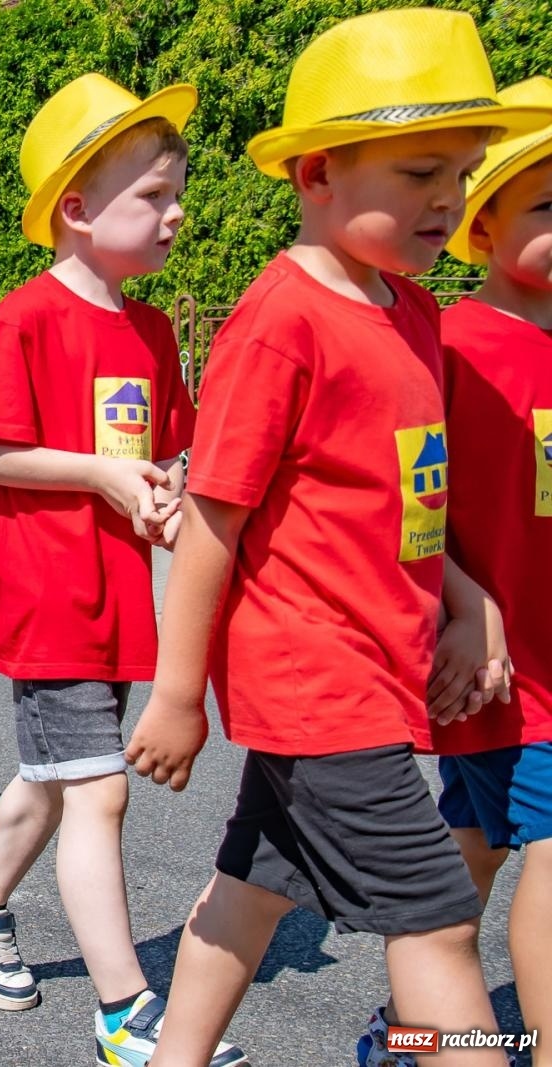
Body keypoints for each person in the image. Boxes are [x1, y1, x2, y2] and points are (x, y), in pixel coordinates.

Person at [123, 10, 549, 1064]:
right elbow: (215, 517)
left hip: (366, 670)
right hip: (316, 680)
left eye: (459, 172)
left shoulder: (407, 308)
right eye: (417, 174)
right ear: (316, 173)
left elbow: (406, 500)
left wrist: (466, 598)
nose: (446, 200)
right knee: (442, 919)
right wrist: (178, 690)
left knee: (255, 886)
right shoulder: (281, 321)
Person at [0, 74, 243, 1067]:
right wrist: (105, 475)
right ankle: (126, 1010)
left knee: (54, 778)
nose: (175, 212)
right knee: (98, 790)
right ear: (76, 208)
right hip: (49, 602)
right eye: (153, 194)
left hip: (121, 601)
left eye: (175, 192)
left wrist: (155, 492)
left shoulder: (153, 332)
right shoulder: (25, 318)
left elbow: (166, 462)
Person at [352, 75, 552, 1066]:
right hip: (504, 670)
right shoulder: (454, 345)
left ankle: (408, 1029)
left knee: (469, 854)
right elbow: (408, 503)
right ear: (479, 226)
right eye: (547, 204)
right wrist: (457, 611)